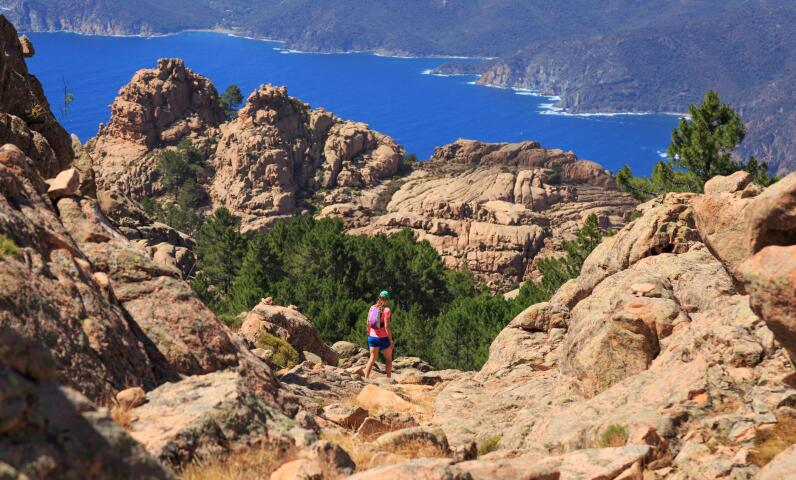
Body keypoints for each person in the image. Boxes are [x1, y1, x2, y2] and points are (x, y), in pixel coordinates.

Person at [364, 290, 393, 379]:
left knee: (372, 358)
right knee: (388, 358)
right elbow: (387, 326)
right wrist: (391, 340)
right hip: (383, 338)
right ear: (388, 300)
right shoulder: (387, 310)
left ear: (378, 298)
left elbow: (368, 323)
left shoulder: (372, 308)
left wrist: (369, 334)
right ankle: (388, 379)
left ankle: (366, 378)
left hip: (372, 337)